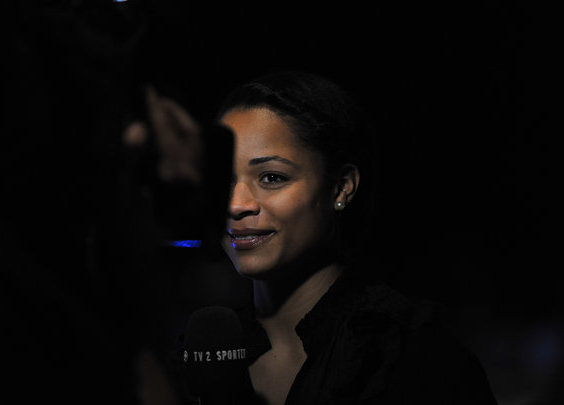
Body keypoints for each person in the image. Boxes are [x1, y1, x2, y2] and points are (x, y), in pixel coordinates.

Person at [170, 70, 499, 405]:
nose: (236, 205)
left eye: (271, 177)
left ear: (342, 187)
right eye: (222, 179)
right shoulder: (193, 361)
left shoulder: (418, 361)